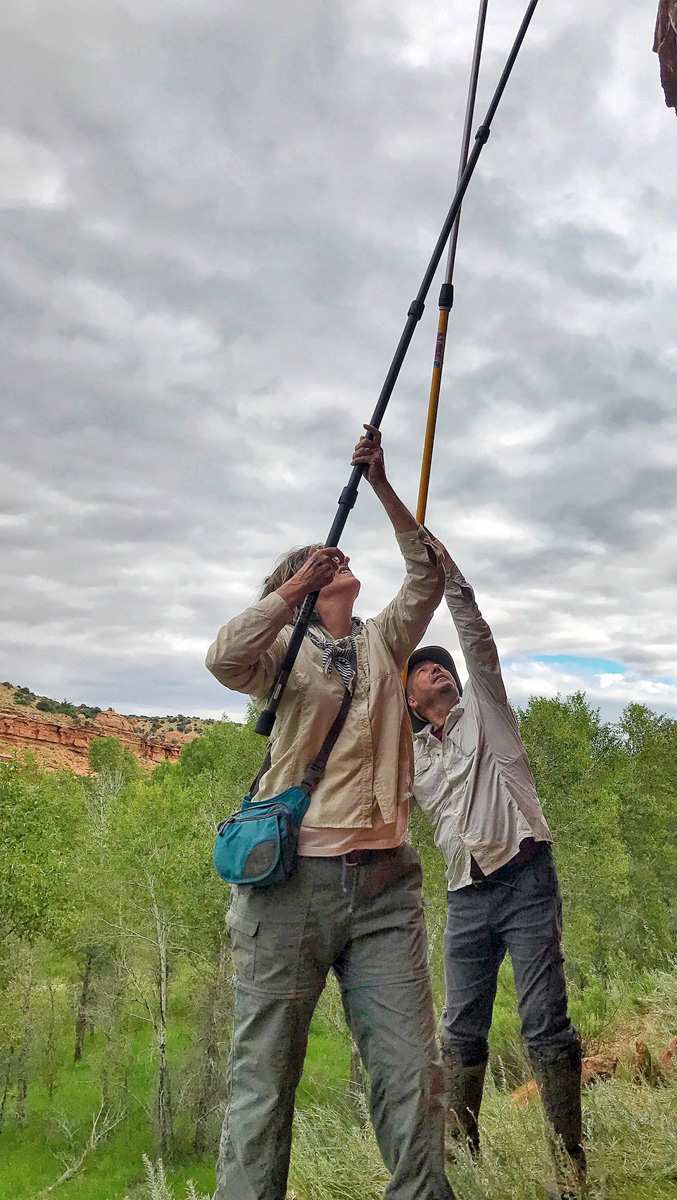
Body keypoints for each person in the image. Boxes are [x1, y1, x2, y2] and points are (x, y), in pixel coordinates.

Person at [206, 426, 454, 1200]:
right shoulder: (282, 651)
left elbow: (429, 572)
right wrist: (288, 593)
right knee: (264, 1082)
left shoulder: (385, 642)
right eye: (316, 560)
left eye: (332, 556)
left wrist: (380, 484)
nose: (333, 557)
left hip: (385, 884)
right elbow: (221, 657)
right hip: (289, 889)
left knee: (413, 1073)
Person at [404, 542, 585, 1196]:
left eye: (439, 666)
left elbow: (473, 630)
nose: (436, 672)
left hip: (527, 879)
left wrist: (444, 572)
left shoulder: (487, 706)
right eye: (423, 670)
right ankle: (461, 1153)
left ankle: (570, 1168)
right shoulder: (412, 758)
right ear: (410, 696)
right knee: (459, 1030)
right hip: (465, 900)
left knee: (544, 1024)